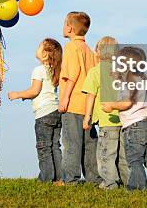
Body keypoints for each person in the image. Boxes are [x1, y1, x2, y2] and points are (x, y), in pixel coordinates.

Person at [102, 46, 147, 191]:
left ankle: (138, 188)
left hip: (134, 126)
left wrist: (112, 106)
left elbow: (127, 103)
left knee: (135, 159)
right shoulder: (141, 79)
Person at [8, 38, 64, 183]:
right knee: (55, 146)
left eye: (40, 46)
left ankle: (46, 179)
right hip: (56, 111)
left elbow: (34, 91)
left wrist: (17, 94)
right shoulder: (54, 70)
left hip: (44, 114)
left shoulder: (38, 70)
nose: (37, 48)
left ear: (45, 54)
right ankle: (59, 179)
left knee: (44, 147)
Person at [58, 11, 100, 184]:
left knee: (71, 143)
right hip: (89, 106)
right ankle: (94, 179)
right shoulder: (89, 51)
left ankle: (70, 179)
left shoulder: (70, 47)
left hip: (74, 102)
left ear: (69, 28)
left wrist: (64, 98)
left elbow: (72, 74)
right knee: (89, 145)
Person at [81, 36, 129, 189]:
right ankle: (130, 183)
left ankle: (109, 183)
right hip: (123, 119)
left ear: (99, 52)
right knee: (123, 156)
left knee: (106, 154)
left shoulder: (95, 71)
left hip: (106, 120)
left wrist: (87, 116)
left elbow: (91, 95)